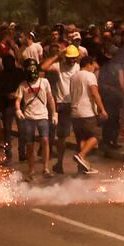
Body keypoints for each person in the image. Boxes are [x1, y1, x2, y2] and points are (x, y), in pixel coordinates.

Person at [41, 44, 81, 174]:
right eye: (70, 58)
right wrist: (58, 55)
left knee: (68, 136)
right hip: (60, 103)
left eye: (74, 58)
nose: (72, 60)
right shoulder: (59, 66)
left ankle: (63, 162)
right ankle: (56, 161)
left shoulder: (78, 67)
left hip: (71, 103)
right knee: (58, 135)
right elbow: (43, 67)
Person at [15, 59, 56, 181]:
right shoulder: (23, 85)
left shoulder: (44, 82)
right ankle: (31, 170)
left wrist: (54, 113)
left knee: (45, 140)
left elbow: (50, 98)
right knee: (30, 145)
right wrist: (18, 110)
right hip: (29, 117)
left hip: (42, 116)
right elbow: (17, 100)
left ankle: (46, 168)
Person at [68, 56, 106, 174]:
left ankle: (82, 167)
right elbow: (95, 93)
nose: (94, 68)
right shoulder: (90, 76)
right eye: (93, 65)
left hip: (75, 113)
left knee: (82, 138)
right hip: (87, 112)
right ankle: (81, 155)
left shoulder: (73, 77)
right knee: (96, 136)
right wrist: (102, 110)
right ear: (88, 64)